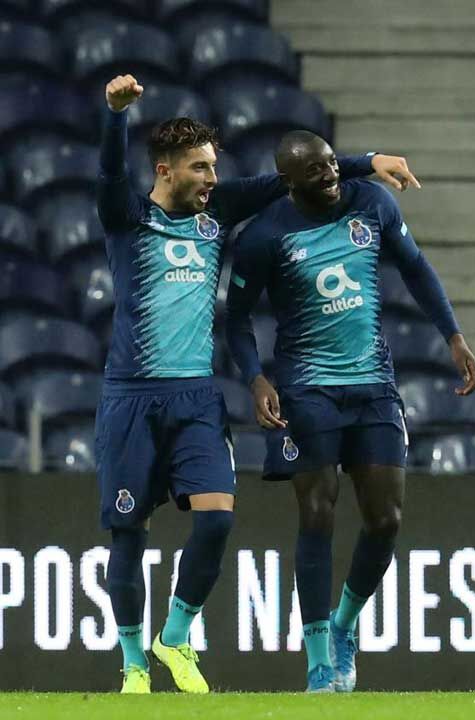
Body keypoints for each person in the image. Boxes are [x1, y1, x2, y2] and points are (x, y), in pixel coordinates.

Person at [96, 75, 416, 695]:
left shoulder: (216, 213)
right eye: (200, 168)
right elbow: (109, 174)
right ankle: (134, 663)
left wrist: (369, 162)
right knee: (129, 536)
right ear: (165, 170)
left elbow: (293, 177)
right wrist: (115, 116)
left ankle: (175, 635)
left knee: (217, 520)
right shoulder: (128, 218)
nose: (212, 179)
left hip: (196, 396)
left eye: (214, 167)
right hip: (131, 396)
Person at [225, 130, 475, 692]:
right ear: (288, 182)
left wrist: (454, 336)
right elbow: (236, 319)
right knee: (317, 513)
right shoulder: (264, 235)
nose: (331, 175)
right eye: (316, 171)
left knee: (386, 520)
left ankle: (344, 624)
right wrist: (255, 378)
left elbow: (415, 268)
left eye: (332, 164)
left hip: (374, 387)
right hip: (307, 390)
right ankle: (318, 659)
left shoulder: (372, 203)